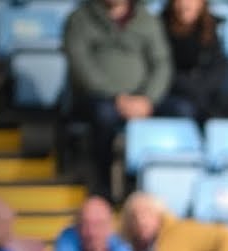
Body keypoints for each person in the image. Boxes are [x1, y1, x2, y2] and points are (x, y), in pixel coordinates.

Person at [64, 0, 178, 199]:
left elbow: (162, 64)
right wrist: (116, 97)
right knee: (104, 116)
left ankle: (151, 189)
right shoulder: (80, 19)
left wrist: (148, 99)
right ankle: (102, 187)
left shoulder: (147, 19)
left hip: (143, 100)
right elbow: (81, 65)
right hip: (98, 98)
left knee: (181, 111)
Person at [159, 0, 228, 122]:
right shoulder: (161, 27)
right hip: (172, 93)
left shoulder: (209, 28)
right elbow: (163, 68)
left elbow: (218, 66)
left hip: (203, 90)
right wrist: (191, 87)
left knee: (227, 111)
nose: (186, 4)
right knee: (185, 110)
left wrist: (203, 87)